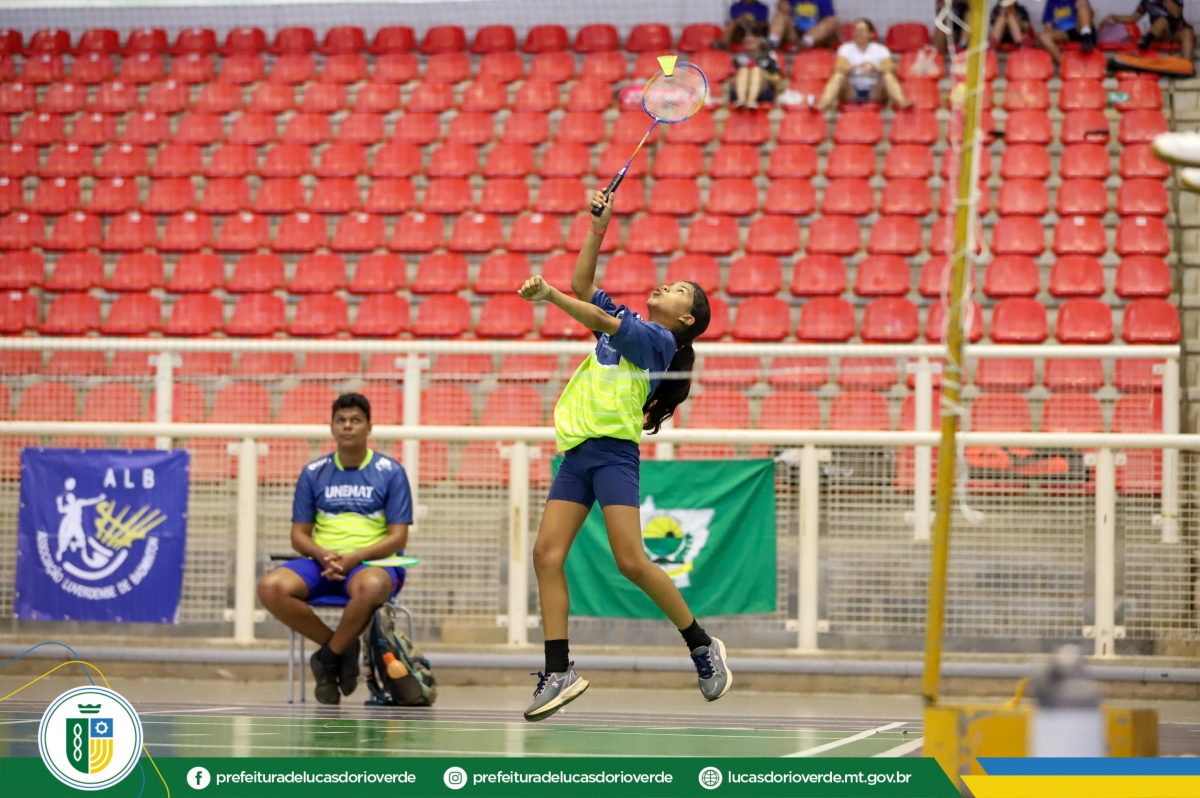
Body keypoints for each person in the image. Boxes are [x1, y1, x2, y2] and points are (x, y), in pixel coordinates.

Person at [514, 190, 727, 723]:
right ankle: (558, 671)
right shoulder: (630, 325)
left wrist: (550, 296)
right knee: (546, 555)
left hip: (612, 454)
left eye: (678, 291)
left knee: (630, 560)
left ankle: (701, 644)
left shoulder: (657, 342)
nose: (665, 287)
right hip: (578, 453)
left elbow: (590, 310)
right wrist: (598, 227)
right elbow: (585, 286)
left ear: (686, 318)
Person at [257, 393, 413, 705]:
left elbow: (398, 538)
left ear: (369, 427)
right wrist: (322, 555)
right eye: (340, 420)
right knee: (270, 587)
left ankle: (327, 658)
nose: (347, 426)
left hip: (370, 563)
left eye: (355, 420)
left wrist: (355, 557)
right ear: (332, 427)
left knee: (371, 588)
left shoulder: (391, 472)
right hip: (322, 562)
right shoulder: (313, 472)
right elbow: (298, 535)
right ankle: (341, 646)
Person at [818, 19, 908, 110]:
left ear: (871, 34)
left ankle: (902, 103)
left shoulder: (881, 49)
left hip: (874, 90)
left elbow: (890, 68)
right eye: (856, 30)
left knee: (888, 76)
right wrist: (855, 67)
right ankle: (822, 105)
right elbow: (838, 68)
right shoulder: (845, 48)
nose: (858, 33)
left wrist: (874, 67)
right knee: (838, 76)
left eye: (862, 30)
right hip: (851, 89)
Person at [1102, 1, 1194, 61]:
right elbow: (1133, 18)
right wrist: (1113, 17)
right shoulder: (1147, 1)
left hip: (1176, 32)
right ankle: (1146, 41)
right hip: (1159, 33)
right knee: (1162, 21)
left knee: (1188, 33)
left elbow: (1177, 14)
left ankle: (1186, 67)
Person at [732, 30, 788, 108]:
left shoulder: (769, 56)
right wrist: (746, 75)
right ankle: (741, 100)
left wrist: (763, 74)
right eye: (747, 41)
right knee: (744, 70)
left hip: (764, 91)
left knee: (756, 71)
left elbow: (777, 79)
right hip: (739, 90)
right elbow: (730, 80)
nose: (749, 42)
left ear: (759, 40)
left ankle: (751, 101)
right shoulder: (739, 58)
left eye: (752, 40)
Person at [770, 1, 840, 50]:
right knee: (780, 15)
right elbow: (781, 6)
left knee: (831, 21)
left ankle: (806, 42)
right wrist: (781, 5)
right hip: (795, 34)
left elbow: (830, 20)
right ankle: (773, 41)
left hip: (815, 36)